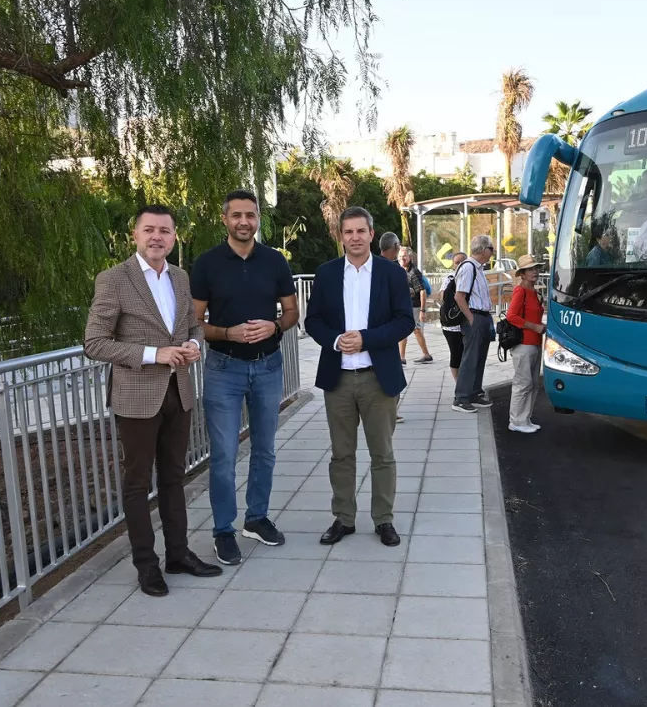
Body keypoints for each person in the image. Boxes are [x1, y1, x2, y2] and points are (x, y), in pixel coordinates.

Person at [84, 205, 222, 597]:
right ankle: (147, 565)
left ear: (174, 237)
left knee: (175, 478)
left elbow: (192, 324)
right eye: (149, 230)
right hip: (137, 397)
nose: (156, 236)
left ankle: (178, 554)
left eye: (164, 230)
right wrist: (153, 354)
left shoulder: (180, 277)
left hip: (178, 392)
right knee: (137, 484)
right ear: (135, 235)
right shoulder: (113, 279)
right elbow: (94, 343)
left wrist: (194, 343)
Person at [191, 189, 299, 566]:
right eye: (236, 215)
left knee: (265, 449)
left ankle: (256, 518)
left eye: (250, 215)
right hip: (224, 368)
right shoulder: (206, 264)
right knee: (223, 455)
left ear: (258, 219)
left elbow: (291, 312)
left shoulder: (275, 261)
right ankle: (224, 530)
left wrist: (274, 326)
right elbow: (194, 323)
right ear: (225, 219)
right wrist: (227, 333)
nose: (244, 221)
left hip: (268, 366)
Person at [304, 207, 414, 547]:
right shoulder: (326, 274)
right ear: (342, 236)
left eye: (360, 231)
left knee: (382, 453)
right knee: (341, 454)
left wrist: (366, 338)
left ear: (370, 233)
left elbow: (404, 321)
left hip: (377, 379)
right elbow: (313, 321)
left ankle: (383, 520)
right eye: (348, 232)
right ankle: (344, 518)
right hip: (337, 379)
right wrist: (336, 340)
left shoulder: (391, 273)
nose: (354, 237)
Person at [451, 234, 496, 414]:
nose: (493, 252)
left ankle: (474, 393)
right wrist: (470, 317)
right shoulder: (469, 267)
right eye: (491, 248)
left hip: (482, 316)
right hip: (474, 317)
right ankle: (461, 398)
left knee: (479, 357)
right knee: (470, 358)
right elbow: (459, 296)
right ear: (484, 250)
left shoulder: (477, 268)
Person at [505, 255, 546, 433]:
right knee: (523, 383)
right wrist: (534, 326)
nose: (535, 271)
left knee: (533, 383)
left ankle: (525, 419)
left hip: (535, 342)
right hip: (524, 343)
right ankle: (516, 421)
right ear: (522, 274)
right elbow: (511, 316)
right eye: (530, 269)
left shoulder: (534, 291)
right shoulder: (520, 291)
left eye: (536, 268)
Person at [377, 231, 406, 424]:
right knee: (391, 374)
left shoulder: (371, 266)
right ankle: (390, 411)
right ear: (395, 247)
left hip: (378, 331)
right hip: (386, 331)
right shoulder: (394, 271)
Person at [397, 247, 434, 365]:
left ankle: (401, 358)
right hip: (407, 305)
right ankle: (426, 355)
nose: (402, 258)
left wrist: (423, 310)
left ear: (410, 258)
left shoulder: (413, 272)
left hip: (414, 306)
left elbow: (422, 291)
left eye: (404, 256)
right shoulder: (401, 270)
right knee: (415, 329)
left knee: (407, 329)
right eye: (400, 256)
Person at [441, 251, 469, 382]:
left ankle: (466, 382)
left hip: (466, 322)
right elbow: (442, 297)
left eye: (463, 262)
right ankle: (458, 383)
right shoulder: (450, 278)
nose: (460, 265)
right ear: (453, 265)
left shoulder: (470, 277)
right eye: (457, 262)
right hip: (452, 323)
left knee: (466, 353)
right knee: (456, 353)